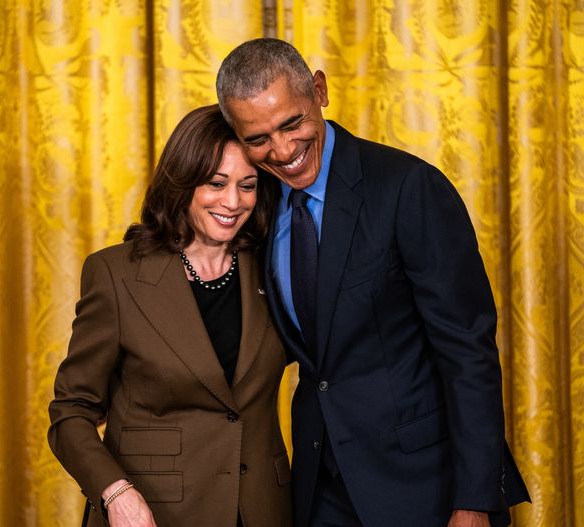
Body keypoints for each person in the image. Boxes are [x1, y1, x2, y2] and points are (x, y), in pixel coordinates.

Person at [216, 38, 531, 527]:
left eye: (292, 123)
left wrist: (474, 501)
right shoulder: (256, 205)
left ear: (319, 91)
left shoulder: (408, 188)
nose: (282, 150)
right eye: (258, 139)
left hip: (425, 487)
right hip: (320, 491)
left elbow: (468, 353)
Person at [47, 104, 291, 527]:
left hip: (262, 511)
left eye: (247, 185)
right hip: (151, 512)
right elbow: (71, 411)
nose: (233, 202)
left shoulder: (278, 265)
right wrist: (115, 493)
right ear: (183, 181)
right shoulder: (116, 274)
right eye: (216, 183)